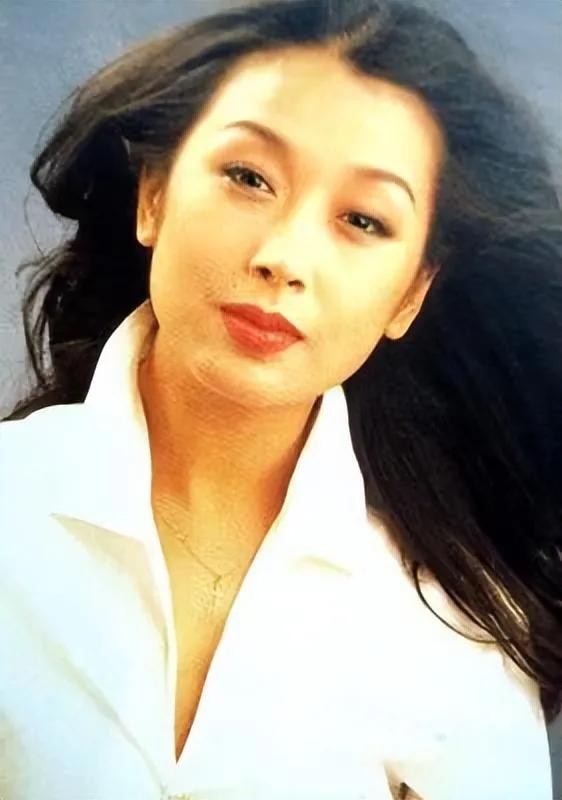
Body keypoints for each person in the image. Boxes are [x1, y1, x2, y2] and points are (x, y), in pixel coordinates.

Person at [0, 0, 560, 797]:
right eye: (248, 177)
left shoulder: (457, 632)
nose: (285, 257)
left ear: (410, 294)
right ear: (153, 195)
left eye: (362, 220)